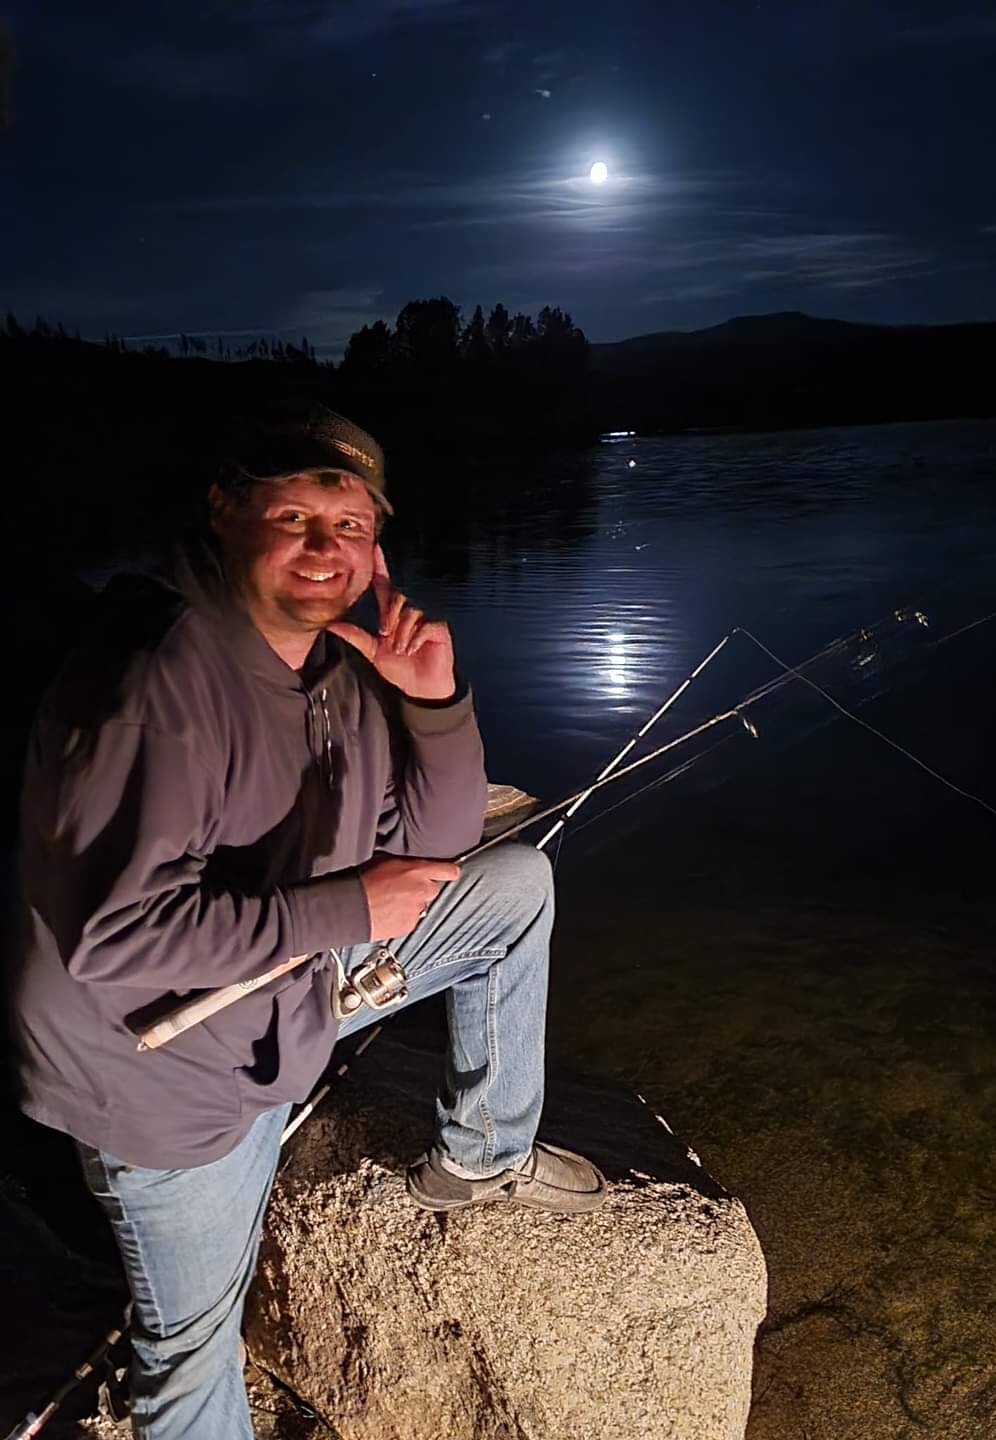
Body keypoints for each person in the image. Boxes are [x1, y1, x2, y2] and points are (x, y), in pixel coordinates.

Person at [9, 402, 605, 1440]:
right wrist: (346, 907)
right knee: (191, 1360)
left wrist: (435, 704)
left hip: (277, 977)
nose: (327, 548)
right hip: (159, 1060)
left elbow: (436, 846)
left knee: (511, 890)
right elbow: (113, 941)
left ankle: (478, 1162)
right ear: (226, 512)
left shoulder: (335, 665)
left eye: (352, 524)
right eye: (295, 516)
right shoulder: (151, 686)